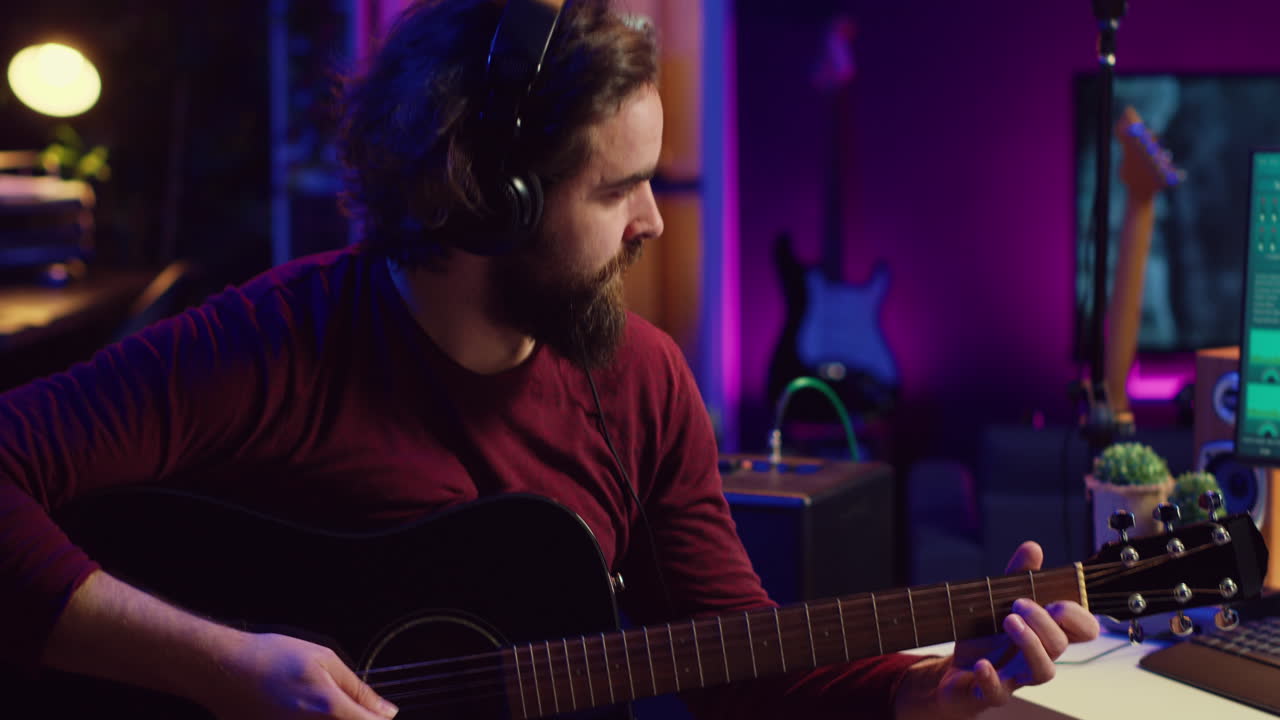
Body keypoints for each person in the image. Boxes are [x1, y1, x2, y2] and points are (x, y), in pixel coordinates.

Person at [0, 1, 1099, 718]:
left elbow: (735, 658)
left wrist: (926, 693)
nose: (653, 225)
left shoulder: (643, 382)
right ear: (486, 194)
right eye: (617, 189)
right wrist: (224, 668)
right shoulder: (272, 345)